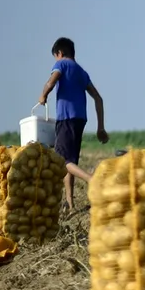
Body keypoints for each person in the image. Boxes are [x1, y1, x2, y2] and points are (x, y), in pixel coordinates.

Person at [38, 37, 108, 210]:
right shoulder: (82, 72)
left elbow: (52, 80)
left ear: (59, 54)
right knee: (70, 162)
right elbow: (98, 98)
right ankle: (70, 204)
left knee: (61, 159)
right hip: (80, 119)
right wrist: (100, 127)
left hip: (66, 118)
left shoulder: (61, 65)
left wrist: (43, 95)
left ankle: (92, 179)